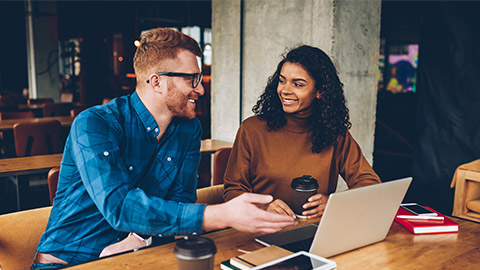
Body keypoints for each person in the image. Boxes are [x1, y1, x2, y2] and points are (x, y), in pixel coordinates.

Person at [32, 28, 296, 269]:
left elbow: (180, 199)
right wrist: (222, 214)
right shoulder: (95, 123)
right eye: (192, 79)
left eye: (200, 78)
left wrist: (139, 238)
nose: (201, 89)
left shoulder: (188, 129)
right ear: (157, 82)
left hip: (135, 258)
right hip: (67, 262)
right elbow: (120, 206)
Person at [223, 45, 381, 219]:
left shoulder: (335, 134)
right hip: (262, 227)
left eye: (298, 84)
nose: (285, 90)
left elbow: (369, 183)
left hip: (314, 231)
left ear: (320, 91)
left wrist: (333, 202)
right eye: (282, 81)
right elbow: (233, 190)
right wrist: (263, 206)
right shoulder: (252, 130)